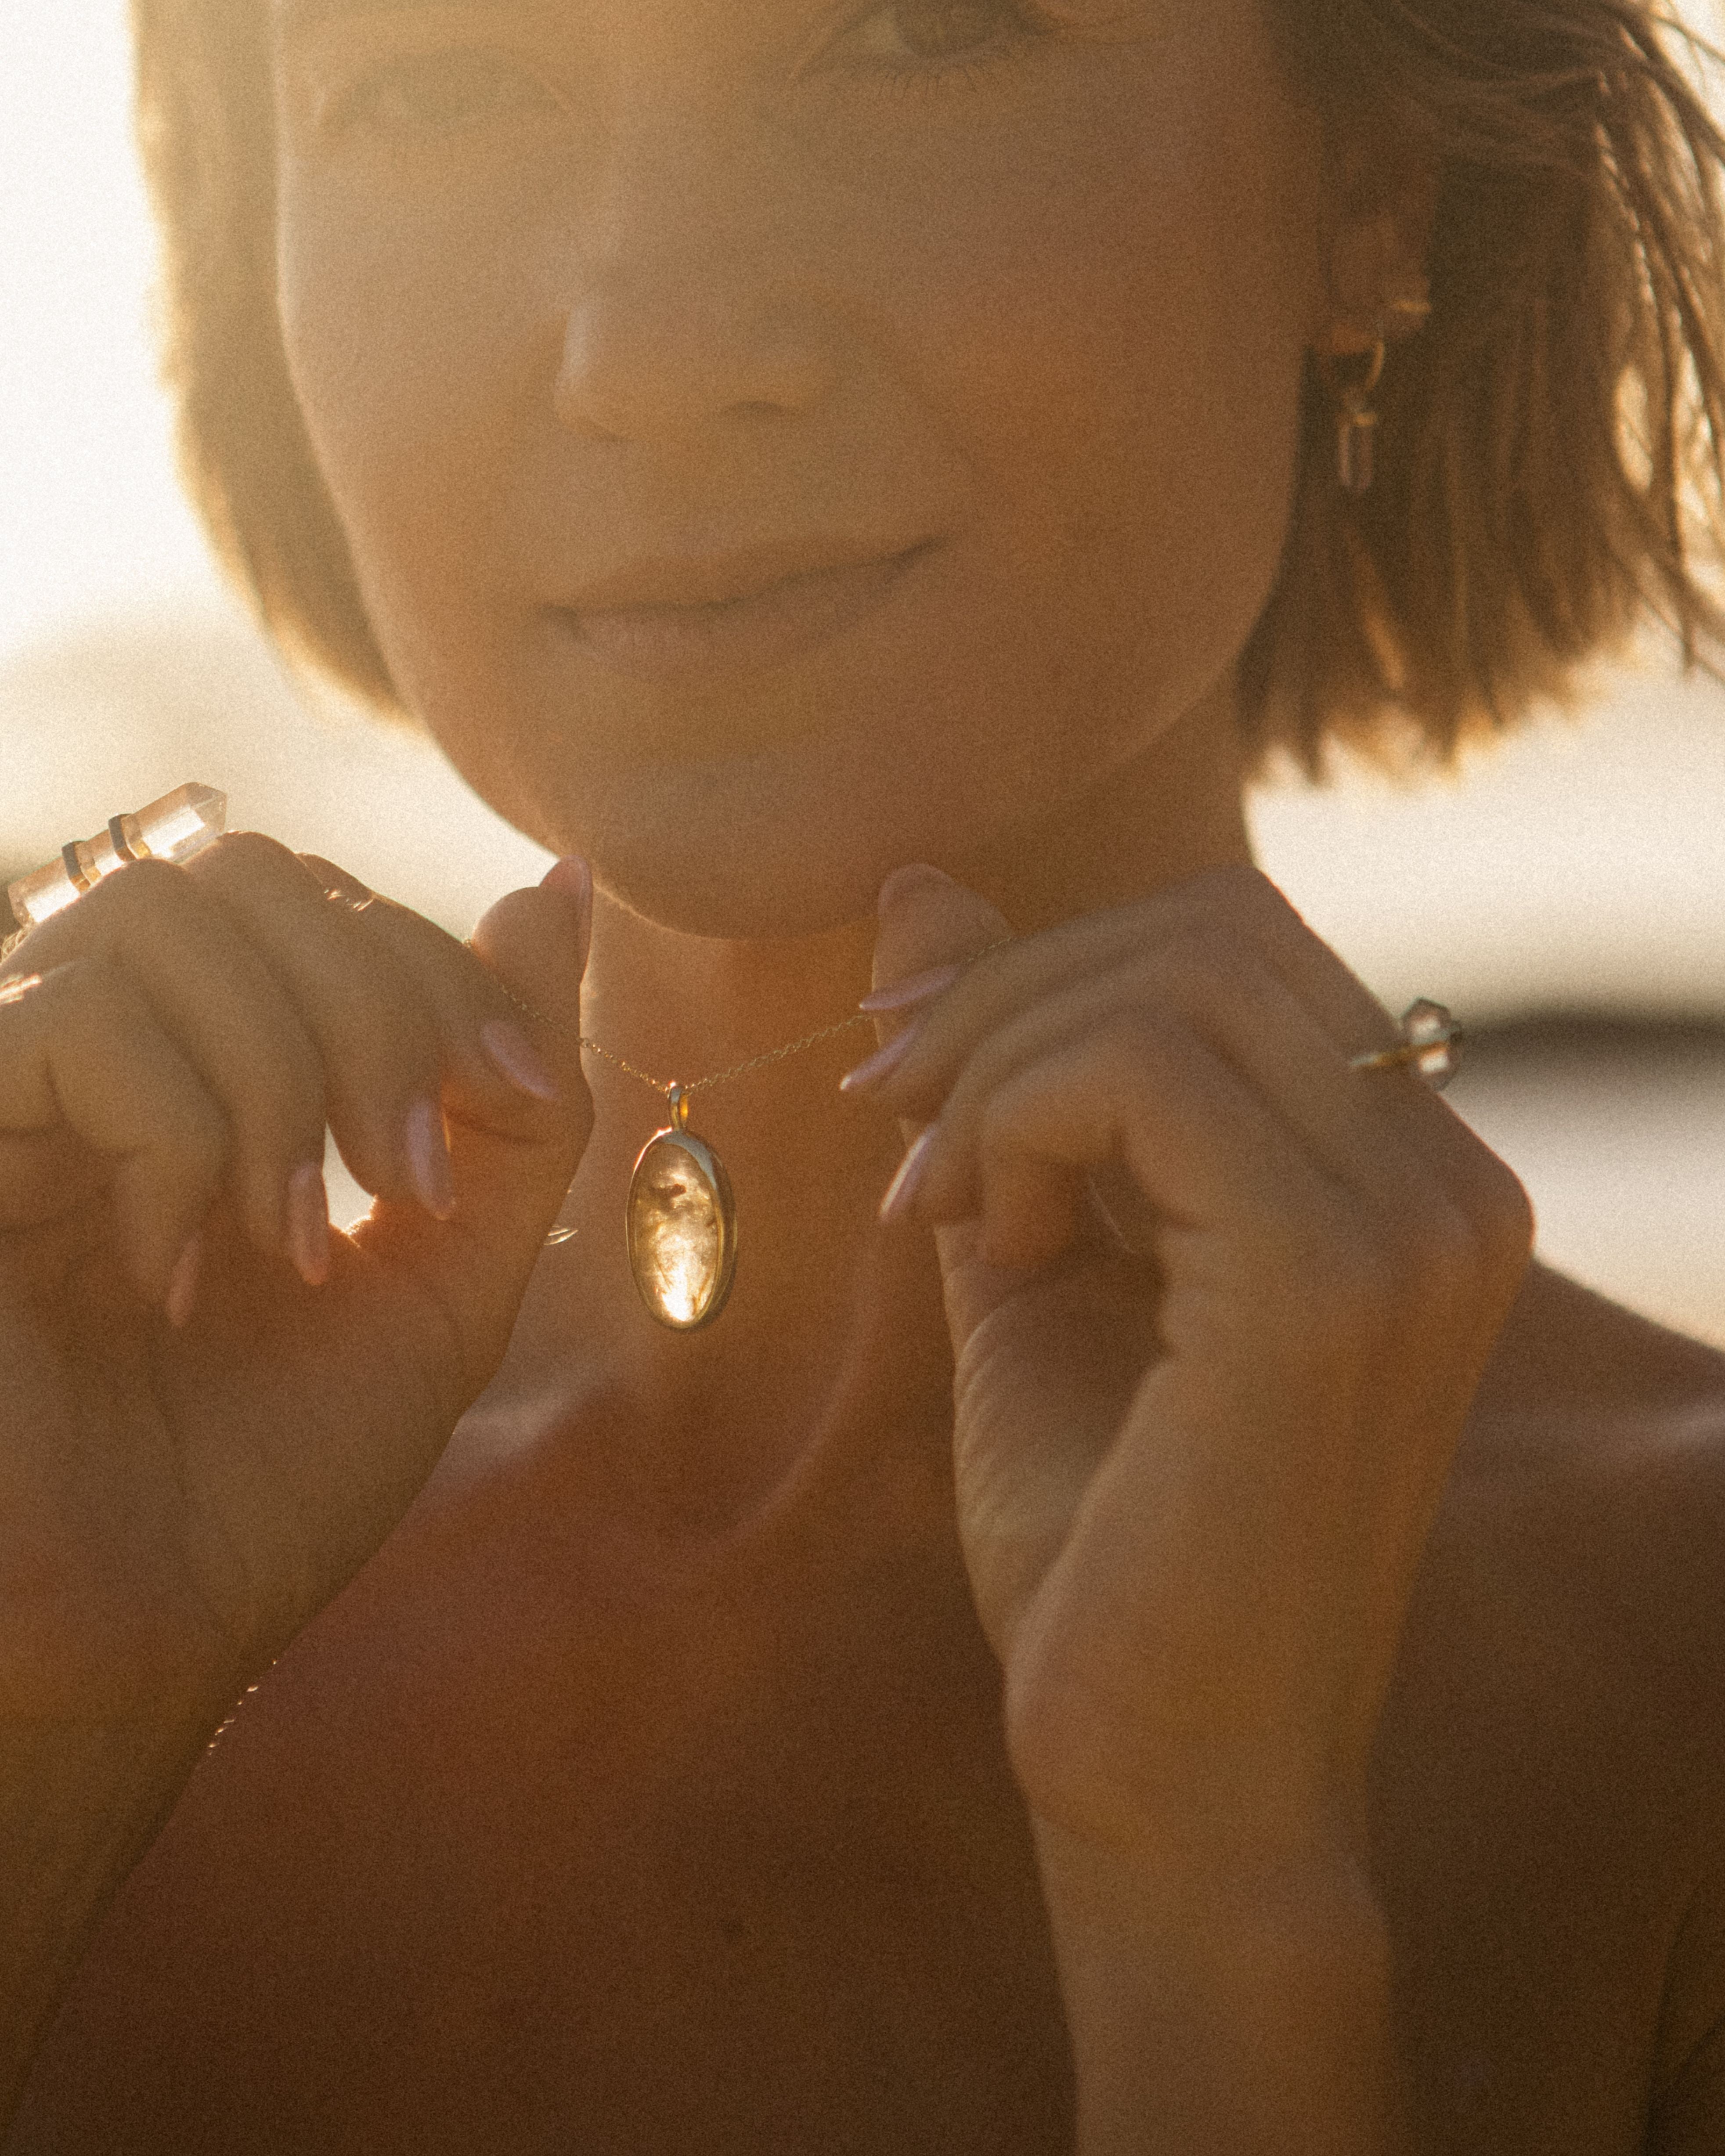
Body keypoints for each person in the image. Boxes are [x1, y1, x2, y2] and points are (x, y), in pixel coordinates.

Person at [2, 0, 1722, 2147]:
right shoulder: (61, 1507)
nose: (640, 340)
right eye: (434, 80)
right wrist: (45, 1750)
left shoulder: (1678, 1686)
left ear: (1369, 181)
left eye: (921, 32)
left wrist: (1218, 1902)